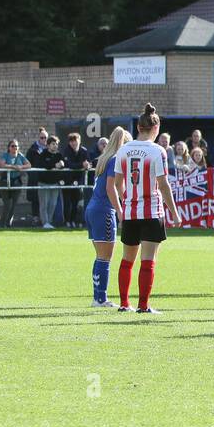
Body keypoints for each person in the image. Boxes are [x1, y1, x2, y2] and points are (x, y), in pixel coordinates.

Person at [109, 104, 181, 314]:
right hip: (151, 212)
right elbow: (164, 184)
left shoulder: (123, 150)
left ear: (138, 127)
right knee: (148, 260)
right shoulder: (158, 151)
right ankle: (143, 306)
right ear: (155, 127)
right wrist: (174, 213)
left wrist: (128, 200)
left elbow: (118, 183)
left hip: (131, 213)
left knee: (127, 259)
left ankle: (124, 303)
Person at [84, 127, 130, 307]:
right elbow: (111, 188)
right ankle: (100, 298)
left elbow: (117, 186)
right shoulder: (116, 159)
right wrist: (120, 211)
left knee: (100, 256)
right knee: (105, 257)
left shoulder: (104, 158)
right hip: (104, 210)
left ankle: (97, 297)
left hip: (93, 208)